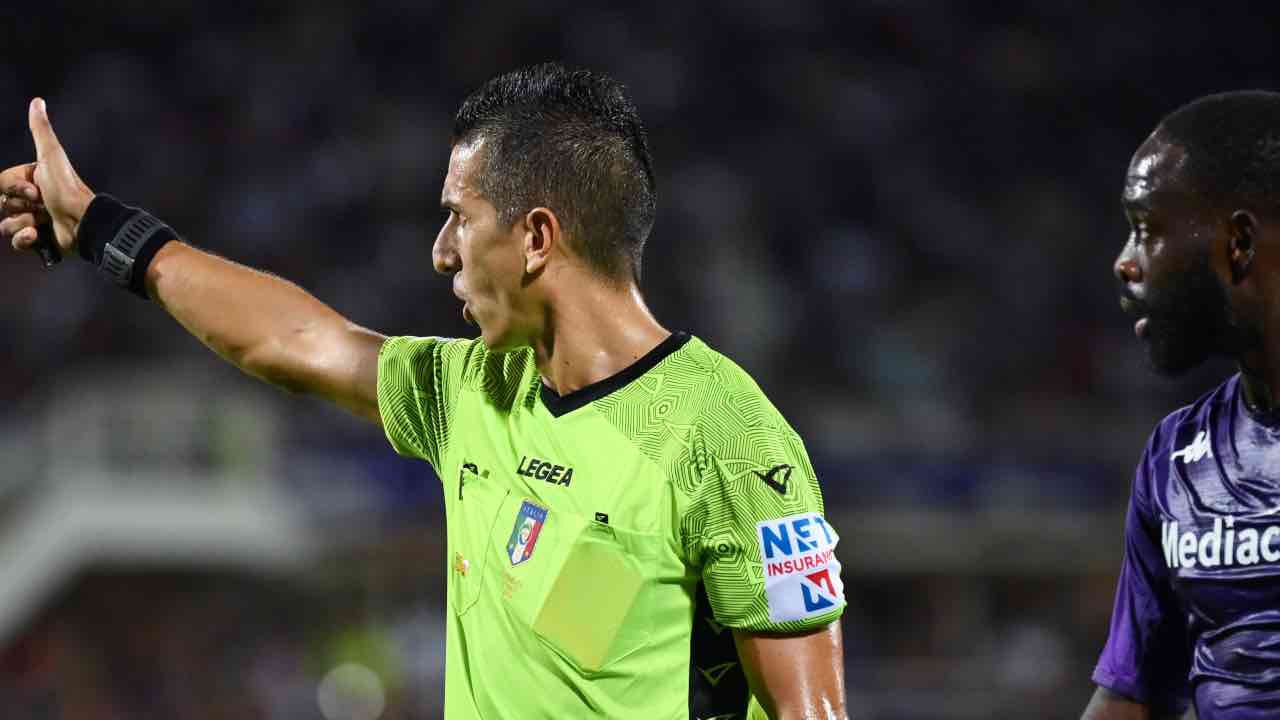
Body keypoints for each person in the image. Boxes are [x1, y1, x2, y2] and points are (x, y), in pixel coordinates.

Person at [2, 64, 848, 719]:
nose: (441, 252)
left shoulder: (729, 439)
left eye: (459, 217)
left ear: (537, 237)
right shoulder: (469, 392)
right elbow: (294, 340)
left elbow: (811, 712)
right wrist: (104, 231)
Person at [1084, 90, 1280, 720]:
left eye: (1146, 229)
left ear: (1238, 242)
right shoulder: (1177, 455)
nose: (1124, 262)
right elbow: (1130, 698)